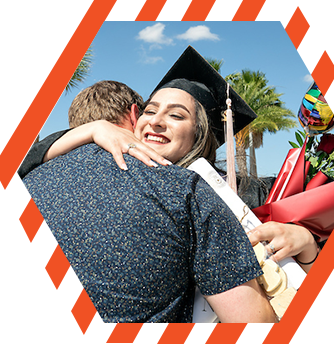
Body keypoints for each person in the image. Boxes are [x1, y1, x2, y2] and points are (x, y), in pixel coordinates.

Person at [22, 48, 280, 323]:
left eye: (177, 116)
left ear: (201, 134)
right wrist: (93, 128)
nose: (155, 121)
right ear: (136, 117)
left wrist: (307, 246)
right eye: (150, 110)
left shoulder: (234, 193)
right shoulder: (183, 191)